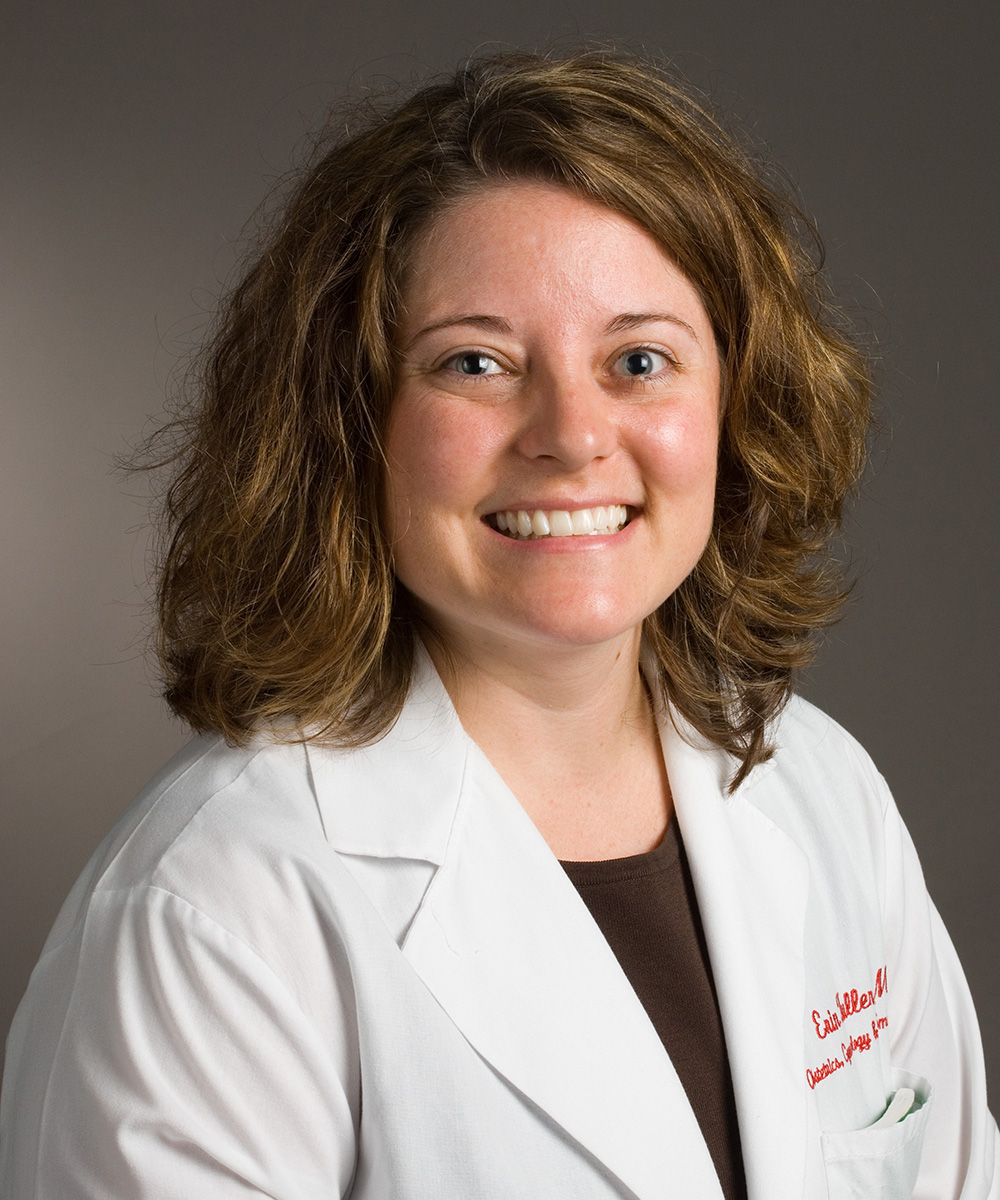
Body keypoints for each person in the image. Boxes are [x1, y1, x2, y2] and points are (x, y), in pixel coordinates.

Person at [1, 48, 996, 1200]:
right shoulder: (215, 905)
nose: (570, 436)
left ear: (738, 402)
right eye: (475, 363)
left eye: (639, 360)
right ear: (348, 420)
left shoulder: (824, 794)